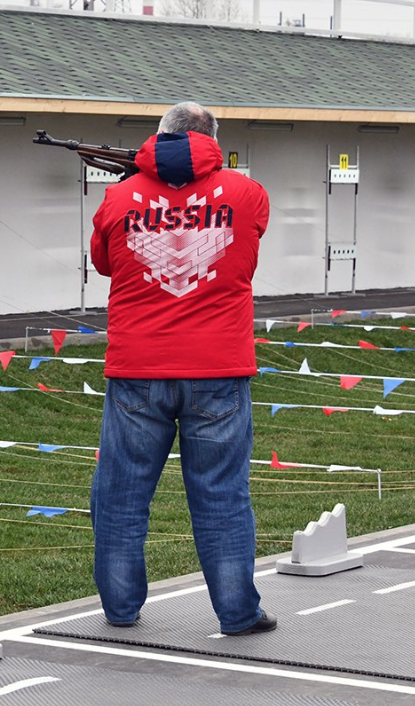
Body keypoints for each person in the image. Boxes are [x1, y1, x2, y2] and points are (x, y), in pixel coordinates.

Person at [88, 101, 275, 636]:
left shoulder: (117, 198)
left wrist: (138, 190)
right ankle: (239, 613)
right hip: (219, 367)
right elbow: (249, 244)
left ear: (159, 135)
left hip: (137, 369)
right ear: (214, 139)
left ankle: (121, 610)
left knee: (121, 496)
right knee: (222, 495)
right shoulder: (248, 193)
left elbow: (104, 262)